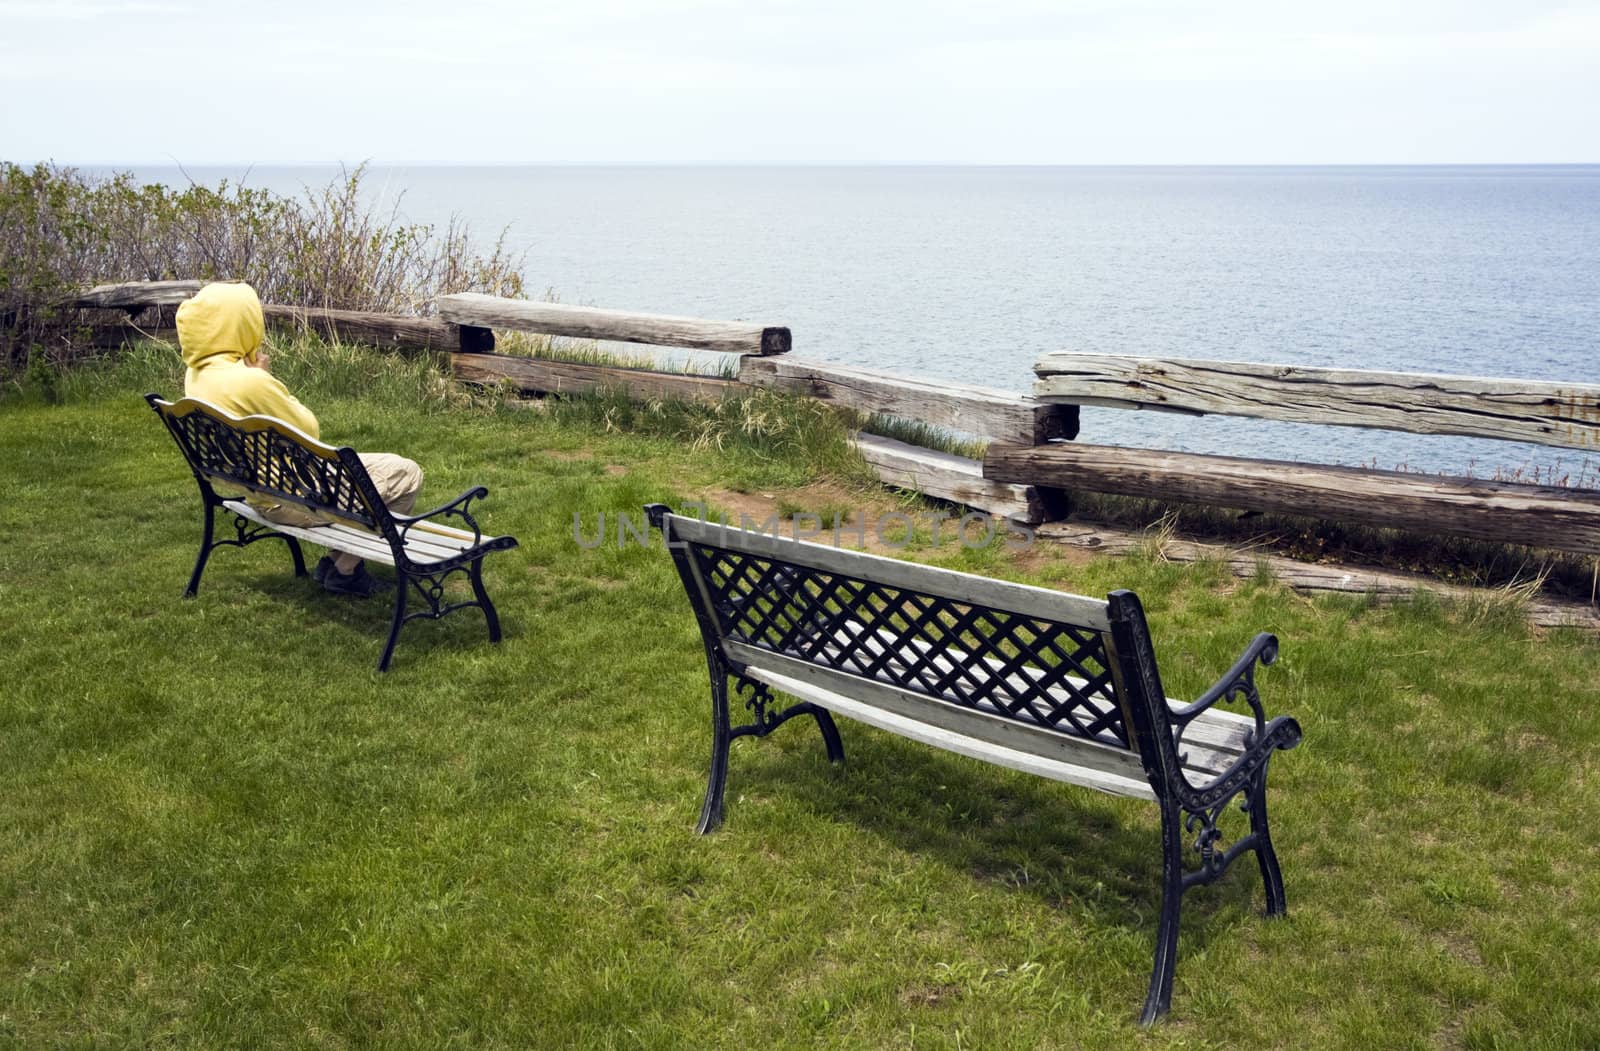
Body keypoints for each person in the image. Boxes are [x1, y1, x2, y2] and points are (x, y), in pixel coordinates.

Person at [175, 281, 422, 598]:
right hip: (295, 497)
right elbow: (308, 430)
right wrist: (266, 377)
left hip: (258, 487)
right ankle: (346, 571)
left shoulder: (197, 374)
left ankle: (333, 562)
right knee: (407, 474)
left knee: (388, 466)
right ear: (238, 323)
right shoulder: (247, 381)